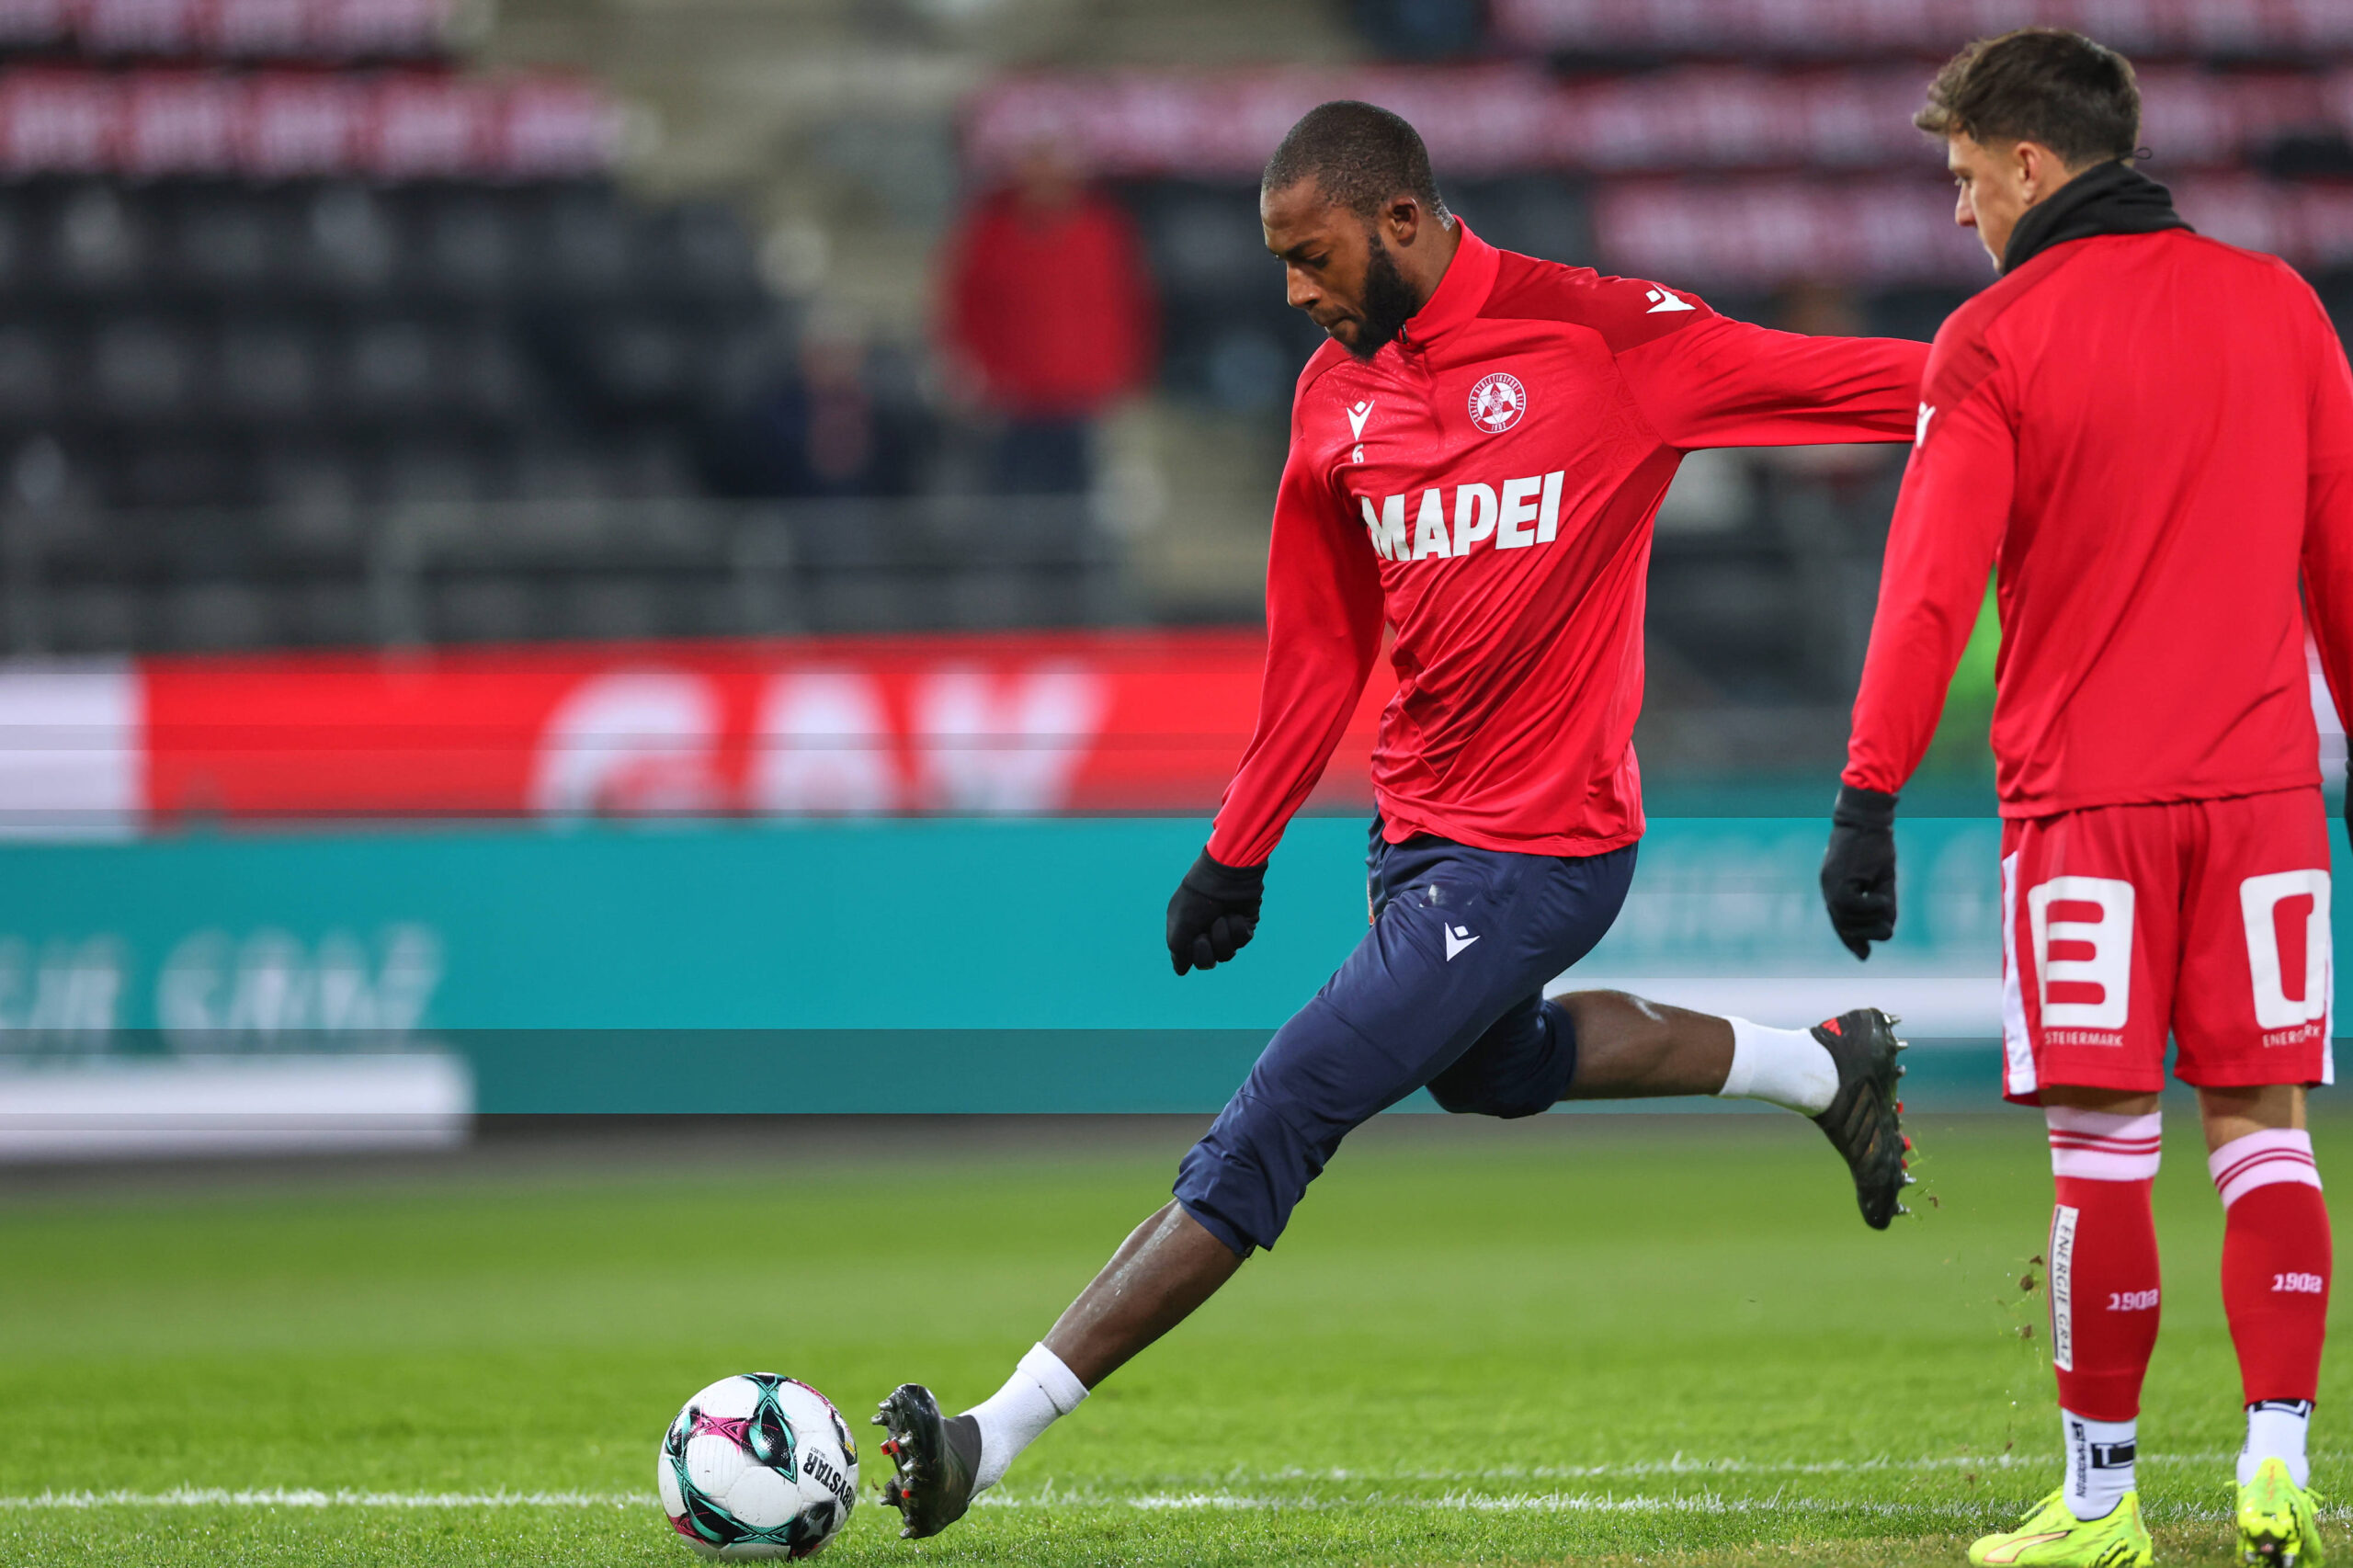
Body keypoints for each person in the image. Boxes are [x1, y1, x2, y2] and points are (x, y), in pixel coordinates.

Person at [873, 99, 1932, 1541]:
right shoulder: (1332, 400)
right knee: (1497, 1070)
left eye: (1311, 258)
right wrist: (1233, 848)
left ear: (1402, 221)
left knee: (1286, 1107)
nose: (1295, 293)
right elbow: (1318, 651)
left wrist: (2071, 375)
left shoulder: (1609, 341)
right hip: (1417, 837)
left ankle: (991, 1436)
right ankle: (1824, 1071)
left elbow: (1887, 384)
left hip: (1551, 843)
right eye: (1278, 264)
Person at [1820, 29, 2347, 1568]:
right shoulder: (2285, 307)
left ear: (2035, 165)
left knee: (2101, 1154)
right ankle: (2276, 1470)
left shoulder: (1992, 340)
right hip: (2263, 796)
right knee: (2269, 1134)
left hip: (2087, 810)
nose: (1964, 212)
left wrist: (1869, 793)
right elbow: (2346, 554)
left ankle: (2104, 1505)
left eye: (1969, 179)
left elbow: (1929, 594)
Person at [938, 141, 1156, 495]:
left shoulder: (1102, 231)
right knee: (1011, 497)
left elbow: (1131, 305)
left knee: (1081, 499)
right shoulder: (991, 233)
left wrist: (1124, 373)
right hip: (1011, 400)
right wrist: (975, 372)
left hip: (1084, 398)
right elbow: (966, 308)